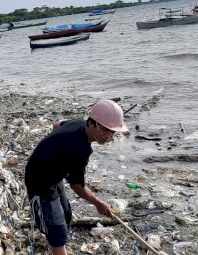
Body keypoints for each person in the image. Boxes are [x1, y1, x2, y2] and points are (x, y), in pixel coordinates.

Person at [24, 100, 128, 255]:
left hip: (54, 174)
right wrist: (99, 204)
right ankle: (58, 247)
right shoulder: (80, 149)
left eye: (113, 132)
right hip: (39, 180)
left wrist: (53, 151)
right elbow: (77, 186)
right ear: (92, 123)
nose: (109, 136)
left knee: (66, 214)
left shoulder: (79, 124)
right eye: (105, 130)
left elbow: (57, 126)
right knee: (56, 229)